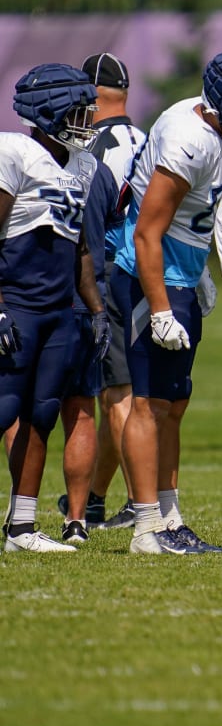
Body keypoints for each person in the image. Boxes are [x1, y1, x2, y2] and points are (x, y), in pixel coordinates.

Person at [113, 49, 222, 554]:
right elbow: (146, 232)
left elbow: (191, 218)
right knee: (149, 404)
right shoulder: (191, 141)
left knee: (173, 403)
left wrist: (197, 276)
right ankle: (146, 526)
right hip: (155, 275)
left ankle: (169, 516)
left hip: (179, 274)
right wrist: (161, 306)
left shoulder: (207, 124)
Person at [1, 63, 108, 552]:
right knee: (4, 409)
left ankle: (21, 526)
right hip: (17, 304)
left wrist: (97, 310)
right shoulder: (15, 151)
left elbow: (80, 246)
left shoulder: (83, 166)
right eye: (82, 109)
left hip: (59, 310)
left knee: (42, 413)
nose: (90, 117)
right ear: (52, 111)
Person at [55, 52, 146, 535]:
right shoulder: (148, 137)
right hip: (155, 270)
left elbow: (92, 221)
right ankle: (96, 497)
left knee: (116, 395)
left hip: (111, 270)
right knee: (130, 390)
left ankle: (137, 498)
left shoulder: (96, 145)